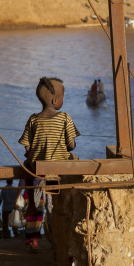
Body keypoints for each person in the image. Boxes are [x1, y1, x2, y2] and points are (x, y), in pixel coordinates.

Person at [18, 76, 80, 251]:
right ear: (55, 100)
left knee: (39, 202)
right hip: (57, 170)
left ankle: (33, 219)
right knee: (55, 208)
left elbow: (26, 144)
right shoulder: (65, 118)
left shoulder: (33, 119)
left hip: (39, 170)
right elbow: (71, 145)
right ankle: (58, 244)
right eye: (63, 97)